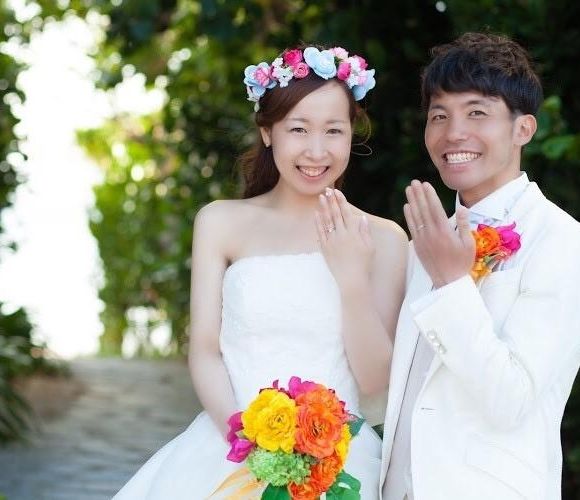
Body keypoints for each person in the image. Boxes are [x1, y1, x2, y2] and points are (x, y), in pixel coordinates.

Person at [113, 45, 408, 499]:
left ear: (352, 134)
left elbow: (374, 380)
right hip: (230, 444)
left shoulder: (384, 239)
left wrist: (351, 280)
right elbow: (205, 351)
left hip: (339, 460)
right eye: (298, 129)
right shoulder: (220, 222)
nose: (316, 150)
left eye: (333, 130)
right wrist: (250, 444)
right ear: (268, 132)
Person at [379, 32, 580, 500]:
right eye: (439, 116)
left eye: (476, 113)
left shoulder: (562, 240)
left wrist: (451, 283)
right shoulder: (426, 240)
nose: (453, 133)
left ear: (523, 129)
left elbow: (511, 400)